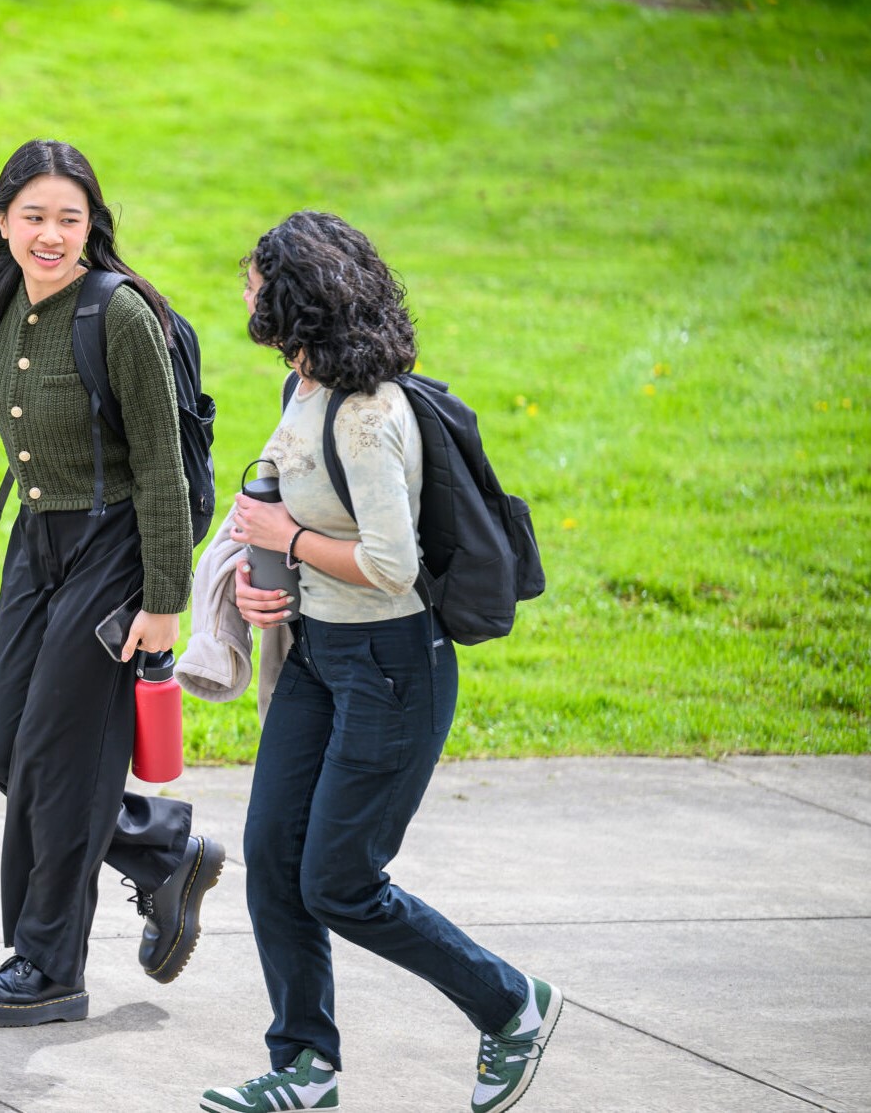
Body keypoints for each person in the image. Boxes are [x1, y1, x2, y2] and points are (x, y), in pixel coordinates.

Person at [0, 139, 224, 1027]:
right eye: (34, 217)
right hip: (37, 540)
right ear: (2, 221)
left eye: (70, 217)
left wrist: (164, 598)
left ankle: (47, 965)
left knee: (58, 762)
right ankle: (153, 846)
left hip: (119, 546)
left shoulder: (120, 314)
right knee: (3, 748)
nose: (52, 234)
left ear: (93, 223)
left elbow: (164, 469)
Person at [203, 210, 560, 1113]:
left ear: (294, 301)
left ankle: (511, 1004)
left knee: (340, 880)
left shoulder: (365, 415)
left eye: (255, 281)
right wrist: (261, 582)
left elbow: (391, 565)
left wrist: (287, 533)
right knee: (271, 853)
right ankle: (304, 1066)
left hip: (393, 665)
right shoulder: (305, 387)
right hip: (321, 651)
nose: (244, 291)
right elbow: (299, 525)